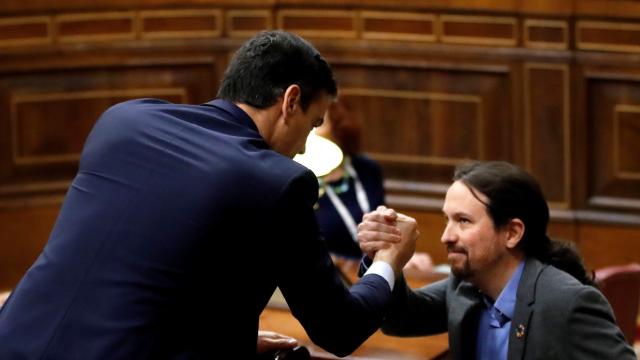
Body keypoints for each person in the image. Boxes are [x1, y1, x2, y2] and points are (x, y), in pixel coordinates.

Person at [0, 31, 417, 359]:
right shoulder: (279, 181)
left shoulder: (123, 121)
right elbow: (338, 329)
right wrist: (387, 263)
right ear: (290, 100)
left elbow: (142, 274)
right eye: (312, 124)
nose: (305, 147)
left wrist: (224, 343)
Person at [357, 161, 636, 360]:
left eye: (463, 221)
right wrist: (384, 258)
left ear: (512, 233)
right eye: (447, 220)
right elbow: (401, 319)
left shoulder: (567, 303)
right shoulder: (464, 287)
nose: (446, 237)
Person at [314, 99, 433, 274]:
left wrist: (402, 258)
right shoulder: (299, 180)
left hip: (374, 269)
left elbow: (384, 228)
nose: (312, 133)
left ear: (338, 126)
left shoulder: (366, 169)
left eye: (319, 122)